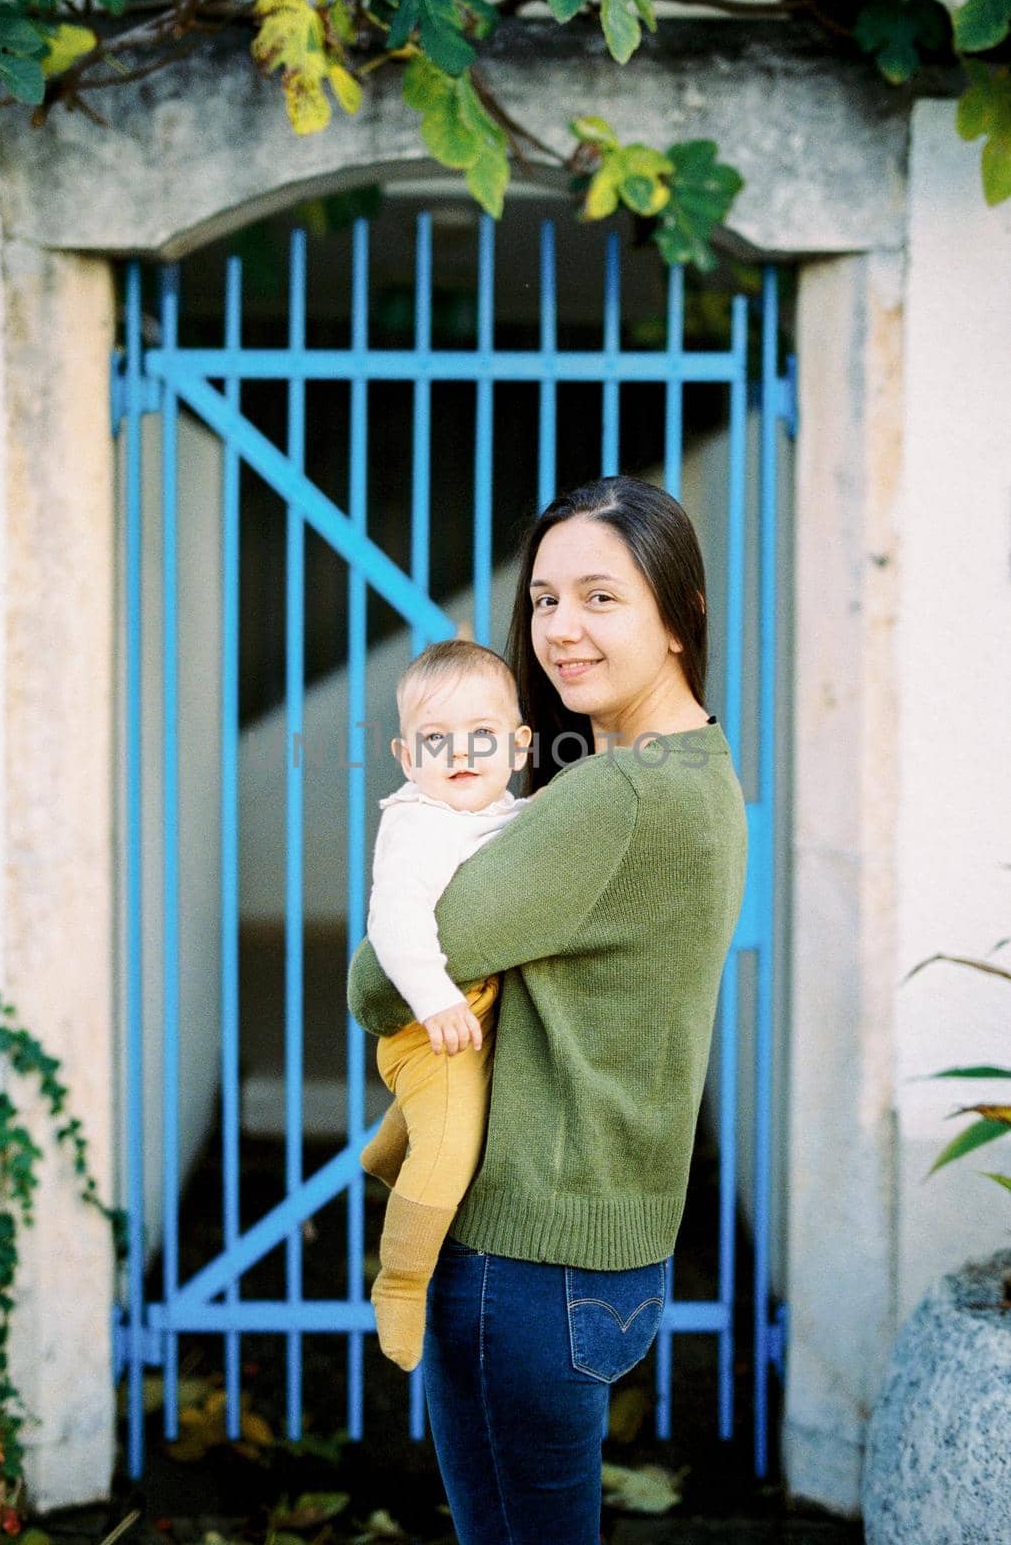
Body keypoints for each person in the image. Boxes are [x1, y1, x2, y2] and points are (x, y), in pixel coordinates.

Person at [347, 477, 749, 1545]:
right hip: (608, 1243)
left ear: (678, 613)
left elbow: (375, 983)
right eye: (540, 600)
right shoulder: (698, 770)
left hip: (529, 1255)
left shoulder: (611, 797)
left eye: (598, 598)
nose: (559, 630)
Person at [359, 638, 532, 1371]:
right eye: (436, 741)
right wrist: (432, 1002)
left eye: (481, 737)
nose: (460, 754)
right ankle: (399, 1281)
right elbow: (393, 922)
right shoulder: (421, 822)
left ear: (519, 746)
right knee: (453, 1149)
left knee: (468, 1112)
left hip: (473, 1012)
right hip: (430, 1024)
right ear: (406, 756)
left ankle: (389, 1142)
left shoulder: (499, 809)